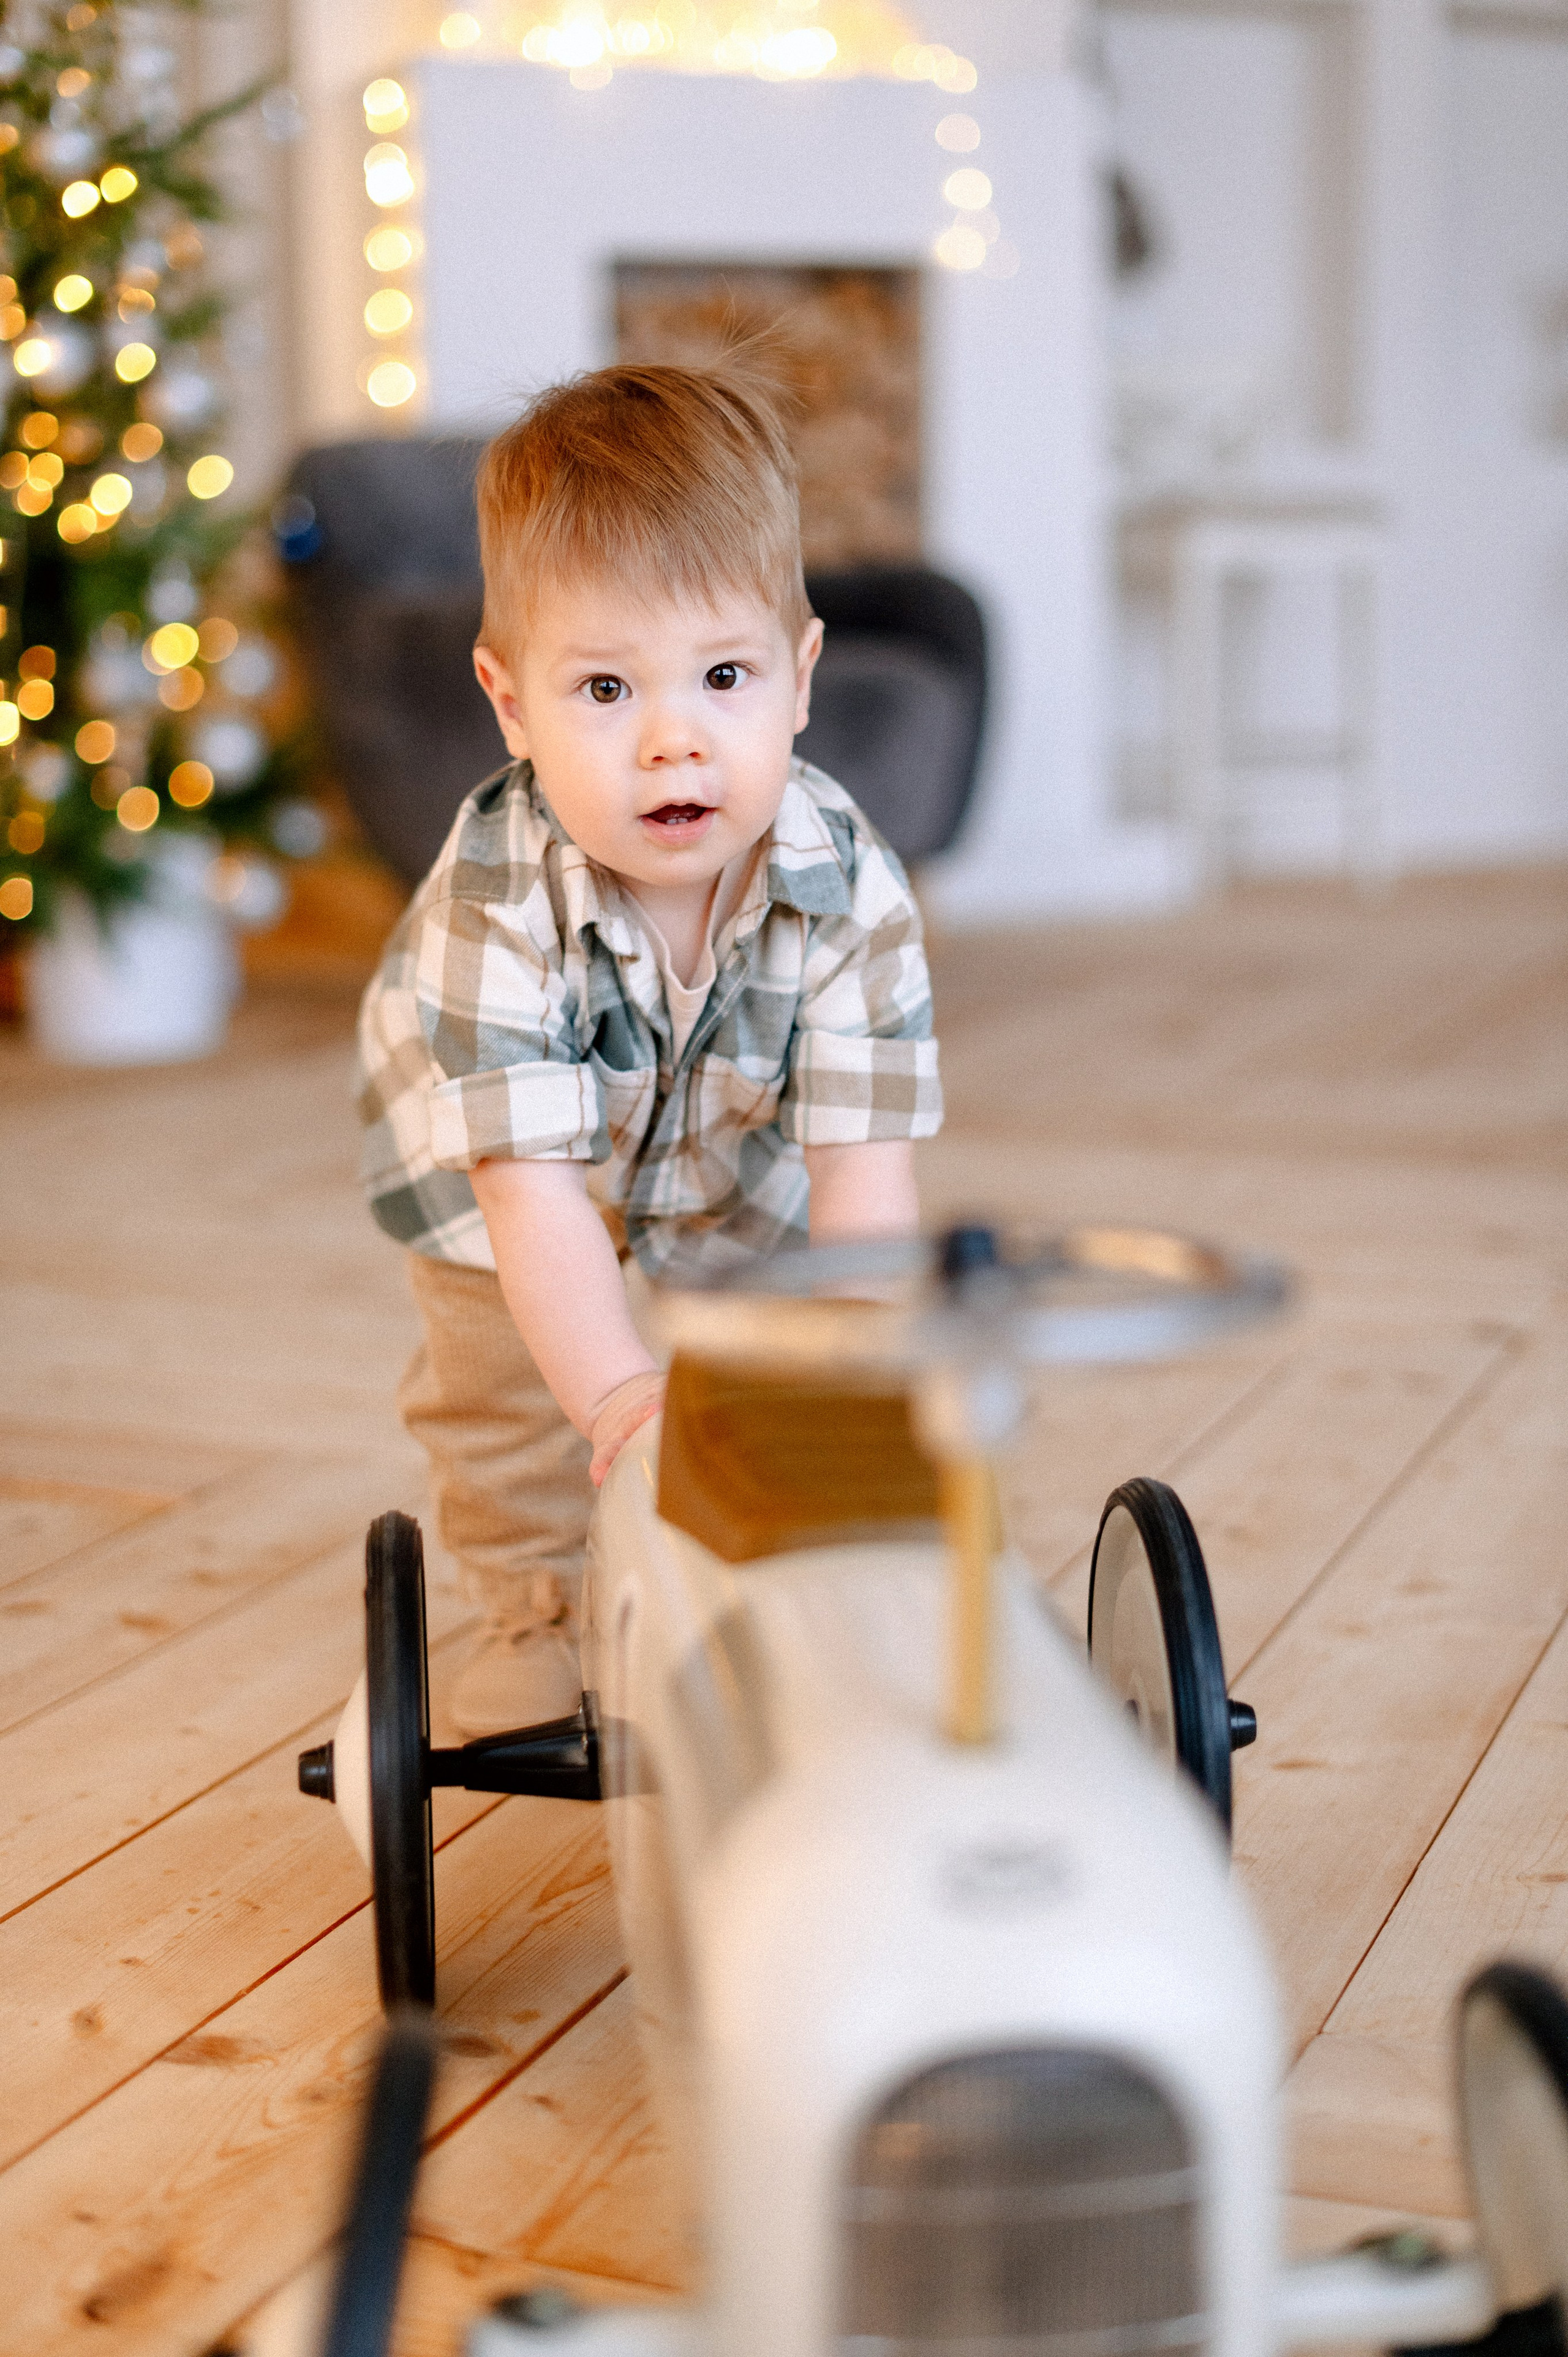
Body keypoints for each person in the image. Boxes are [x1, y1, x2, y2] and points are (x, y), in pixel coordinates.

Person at [356, 361, 943, 1735]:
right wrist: (620, 1406)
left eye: (723, 676)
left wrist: (844, 1399)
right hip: (500, 1173)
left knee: (774, 1346)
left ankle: (778, 1583)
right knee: (504, 1381)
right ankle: (529, 1605)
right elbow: (529, 1196)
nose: (675, 740)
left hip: (736, 1158)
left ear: (799, 681)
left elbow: (864, 1184)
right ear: (512, 706)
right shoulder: (495, 895)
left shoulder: (850, 886)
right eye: (606, 689)